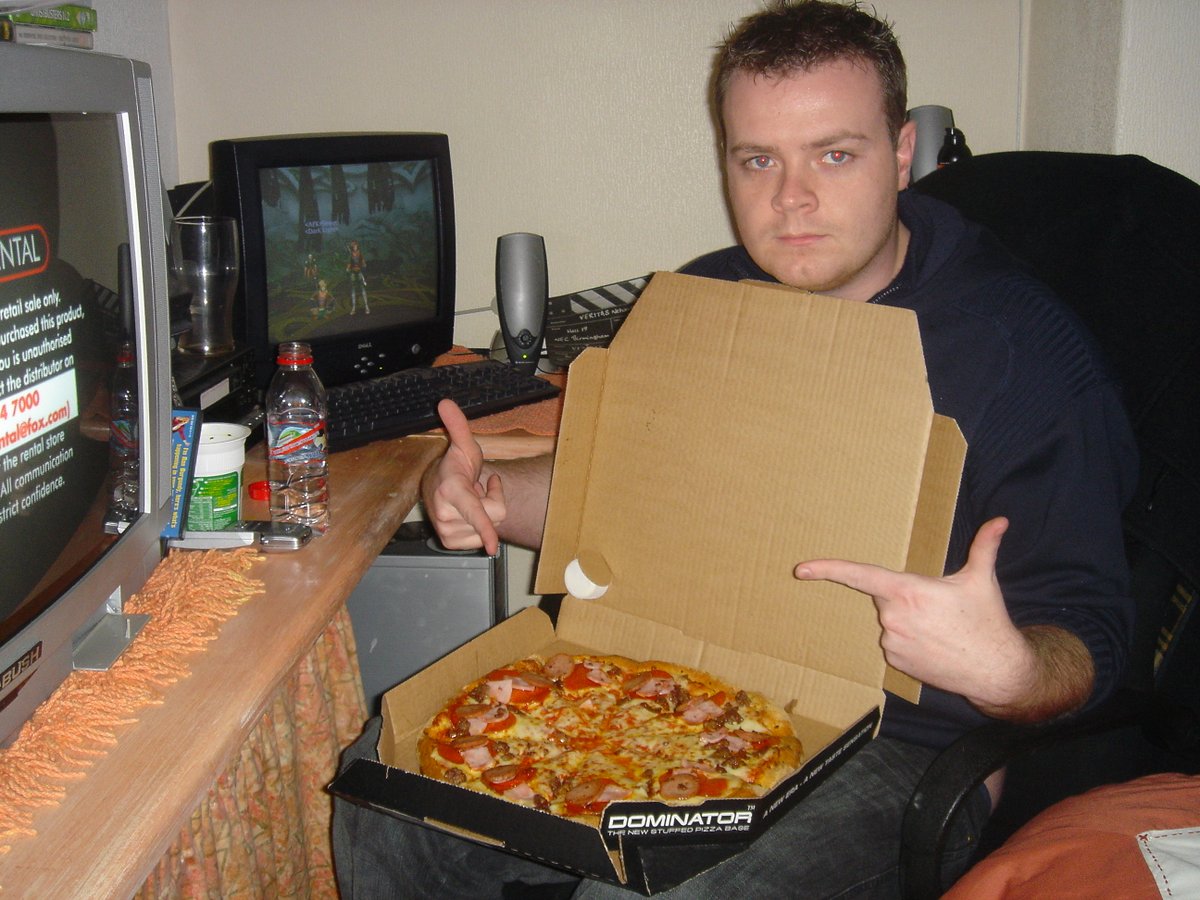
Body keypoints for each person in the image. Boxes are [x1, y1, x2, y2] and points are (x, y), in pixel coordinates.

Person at [333, 2, 1137, 896]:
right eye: (758, 160)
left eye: (835, 155)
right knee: (381, 799)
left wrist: (1007, 667)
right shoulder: (699, 302)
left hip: (902, 747)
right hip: (665, 694)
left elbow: (1092, 642)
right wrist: (489, 491)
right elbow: (615, 496)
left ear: (903, 150)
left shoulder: (1020, 350)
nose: (791, 198)